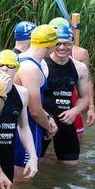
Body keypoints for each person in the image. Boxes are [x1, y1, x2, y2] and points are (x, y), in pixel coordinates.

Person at [40, 26, 91, 166]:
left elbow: (84, 98)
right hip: (43, 124)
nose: (62, 47)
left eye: (67, 44)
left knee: (70, 168)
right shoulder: (42, 65)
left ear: (73, 45)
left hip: (66, 122)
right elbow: (32, 100)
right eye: (58, 43)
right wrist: (46, 118)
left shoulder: (79, 68)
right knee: (35, 166)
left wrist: (74, 111)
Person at [0, 50, 37, 184]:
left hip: (8, 156)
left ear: (17, 69)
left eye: (10, 65)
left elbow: (24, 127)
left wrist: (33, 157)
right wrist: (0, 93)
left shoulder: (22, 92)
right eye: (0, 65)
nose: (4, 68)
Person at [14, 24, 59, 173]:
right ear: (50, 45)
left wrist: (48, 116)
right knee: (22, 181)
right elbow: (33, 111)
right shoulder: (30, 68)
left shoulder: (20, 58)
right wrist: (49, 128)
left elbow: (29, 103)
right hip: (25, 129)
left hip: (22, 125)